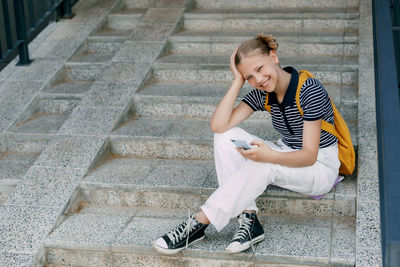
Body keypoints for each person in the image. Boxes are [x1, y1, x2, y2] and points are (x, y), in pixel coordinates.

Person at [152, 34, 341, 255]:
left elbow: (309, 155)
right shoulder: (263, 95)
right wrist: (237, 81)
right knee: (224, 137)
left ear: (274, 57)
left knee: (264, 163)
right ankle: (249, 218)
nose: (259, 79)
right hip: (286, 152)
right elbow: (219, 125)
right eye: (250, 76)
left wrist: (269, 156)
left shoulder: (309, 90)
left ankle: (200, 222)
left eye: (260, 68)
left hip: (319, 166)